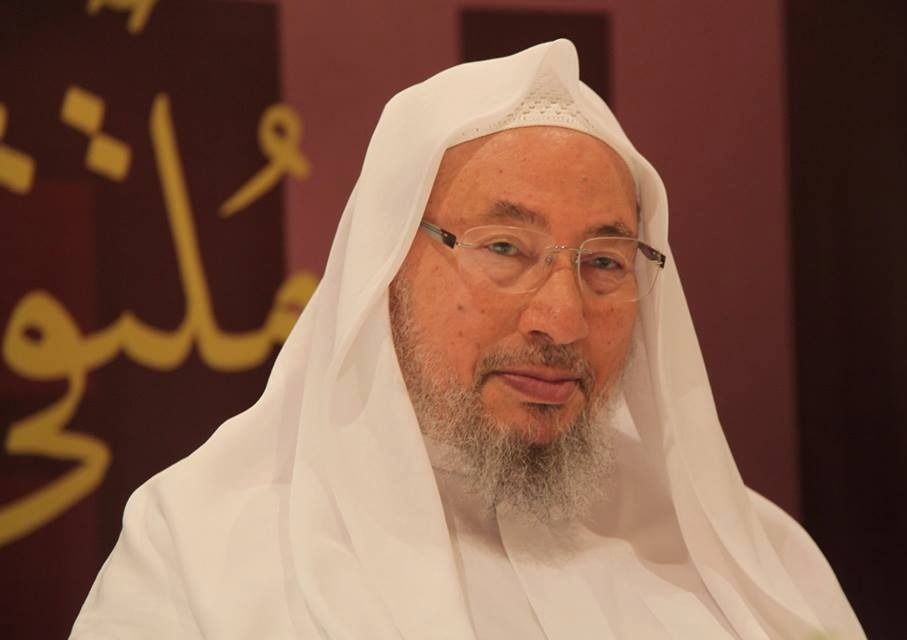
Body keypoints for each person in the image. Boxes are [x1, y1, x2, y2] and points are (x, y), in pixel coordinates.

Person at [71, 40, 865, 639]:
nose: (561, 320)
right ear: (388, 267)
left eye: (603, 262)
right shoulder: (202, 553)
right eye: (505, 249)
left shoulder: (753, 565)